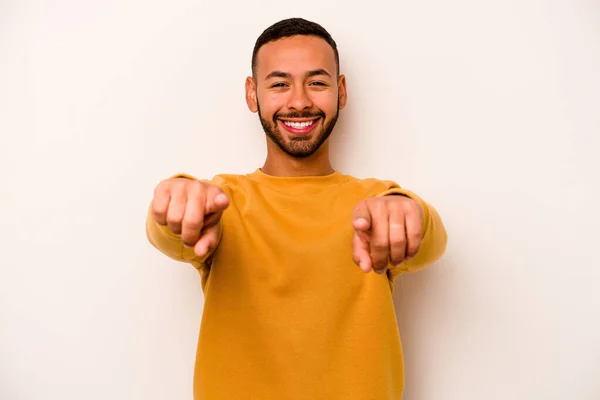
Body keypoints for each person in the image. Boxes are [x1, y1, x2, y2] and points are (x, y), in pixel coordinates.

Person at [146, 17, 447, 400]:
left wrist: (408, 211)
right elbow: (169, 233)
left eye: (317, 82)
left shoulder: (374, 202)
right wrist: (175, 205)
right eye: (280, 84)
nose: (300, 101)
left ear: (341, 92)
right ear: (252, 94)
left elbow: (429, 239)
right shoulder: (222, 200)